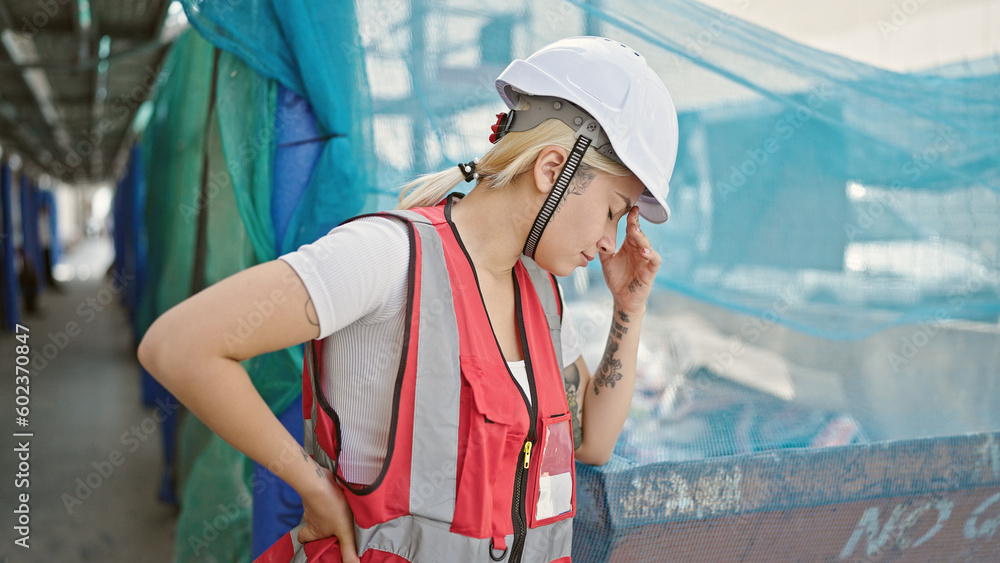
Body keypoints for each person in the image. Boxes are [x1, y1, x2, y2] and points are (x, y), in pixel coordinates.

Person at [138, 35, 678, 563]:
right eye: (613, 209)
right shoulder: (389, 257)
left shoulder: (540, 294)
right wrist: (313, 484)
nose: (612, 239)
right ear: (552, 169)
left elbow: (593, 442)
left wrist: (629, 305)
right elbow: (179, 346)